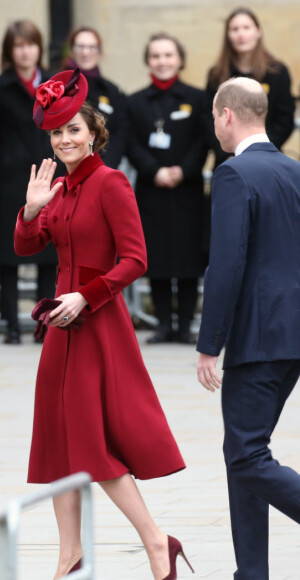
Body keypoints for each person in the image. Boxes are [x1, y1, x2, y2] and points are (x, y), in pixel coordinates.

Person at [15, 68, 188, 580]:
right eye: (56, 131)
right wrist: (29, 209)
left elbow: (136, 259)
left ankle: (157, 542)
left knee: (92, 448)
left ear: (93, 131)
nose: (64, 139)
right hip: (60, 332)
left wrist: (86, 296)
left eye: (72, 129)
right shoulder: (61, 190)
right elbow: (26, 248)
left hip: (98, 325)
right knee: (57, 445)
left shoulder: (111, 184)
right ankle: (69, 555)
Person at [197, 76, 300, 580]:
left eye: (214, 115)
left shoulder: (234, 174)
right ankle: (251, 573)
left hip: (258, 338)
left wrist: (207, 345)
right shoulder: (294, 170)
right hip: (292, 336)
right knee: (245, 451)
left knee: (245, 456)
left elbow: (227, 265)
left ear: (227, 115)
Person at [126, 32, 208, 344]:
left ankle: (185, 325)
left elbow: (203, 141)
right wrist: (155, 170)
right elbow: (132, 143)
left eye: (168, 55)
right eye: (156, 56)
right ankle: (162, 324)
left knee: (187, 259)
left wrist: (182, 170)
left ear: (180, 60)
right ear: (148, 61)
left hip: (187, 190)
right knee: (156, 256)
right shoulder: (135, 102)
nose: (162, 61)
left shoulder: (197, 98)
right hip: (152, 190)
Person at [0, 20, 57, 344]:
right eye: (18, 45)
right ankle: (13, 326)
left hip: (48, 176)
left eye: (30, 44)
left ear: (39, 48)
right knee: (9, 254)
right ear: (10, 50)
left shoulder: (54, 86)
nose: (25, 51)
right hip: (11, 179)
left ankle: (44, 324)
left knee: (48, 252)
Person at [205, 7, 295, 167]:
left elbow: (284, 119)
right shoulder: (216, 74)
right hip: (227, 160)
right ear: (228, 35)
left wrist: (258, 152)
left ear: (258, 32)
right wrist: (230, 154)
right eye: (234, 29)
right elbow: (208, 118)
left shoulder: (277, 72)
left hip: (267, 160)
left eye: (246, 28)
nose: (241, 34)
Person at [63, 26, 128, 169]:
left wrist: (106, 167)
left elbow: (119, 133)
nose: (86, 52)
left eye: (92, 47)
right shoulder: (59, 87)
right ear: (72, 51)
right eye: (80, 47)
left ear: (100, 52)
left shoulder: (112, 92)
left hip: (102, 168)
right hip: (64, 169)